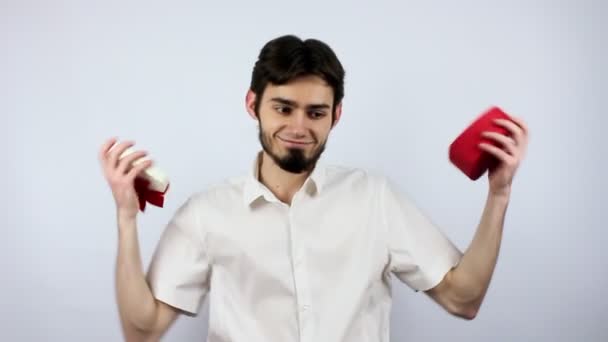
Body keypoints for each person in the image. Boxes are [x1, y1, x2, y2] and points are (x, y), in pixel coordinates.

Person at [98, 34, 529, 342]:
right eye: (283, 108)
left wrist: (499, 195)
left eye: (316, 112)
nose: (299, 127)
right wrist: (126, 217)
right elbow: (143, 330)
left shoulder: (374, 199)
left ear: (336, 115)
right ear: (254, 105)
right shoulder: (206, 214)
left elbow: (463, 300)